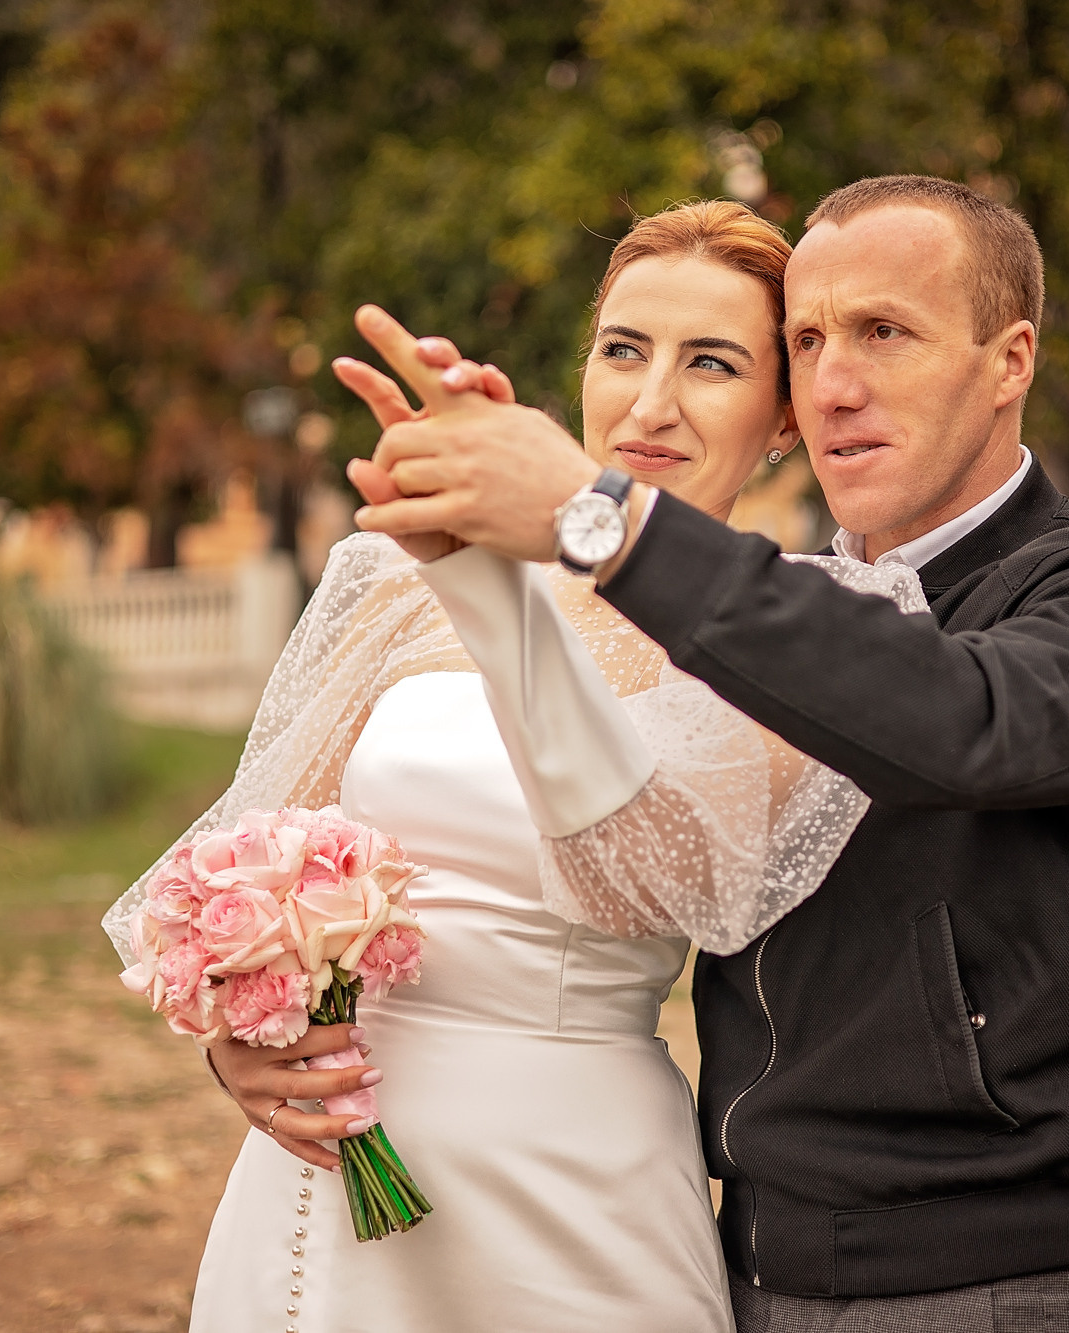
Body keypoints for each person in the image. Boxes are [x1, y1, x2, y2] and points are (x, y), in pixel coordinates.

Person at [343, 175, 1069, 1331]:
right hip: (731, 1258)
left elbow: (955, 721)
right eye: (805, 339)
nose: (836, 382)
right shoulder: (766, 607)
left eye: (883, 333)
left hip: (972, 1280)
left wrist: (597, 514)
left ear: (1008, 362)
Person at [103, 200, 930, 1333]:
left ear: (782, 418)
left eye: (711, 364)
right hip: (337, 1167)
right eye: (622, 350)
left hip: (571, 1188)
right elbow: (232, 850)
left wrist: (497, 589)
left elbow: (642, 874)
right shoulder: (391, 581)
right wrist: (243, 1044)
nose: (649, 404)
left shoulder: (810, 626)